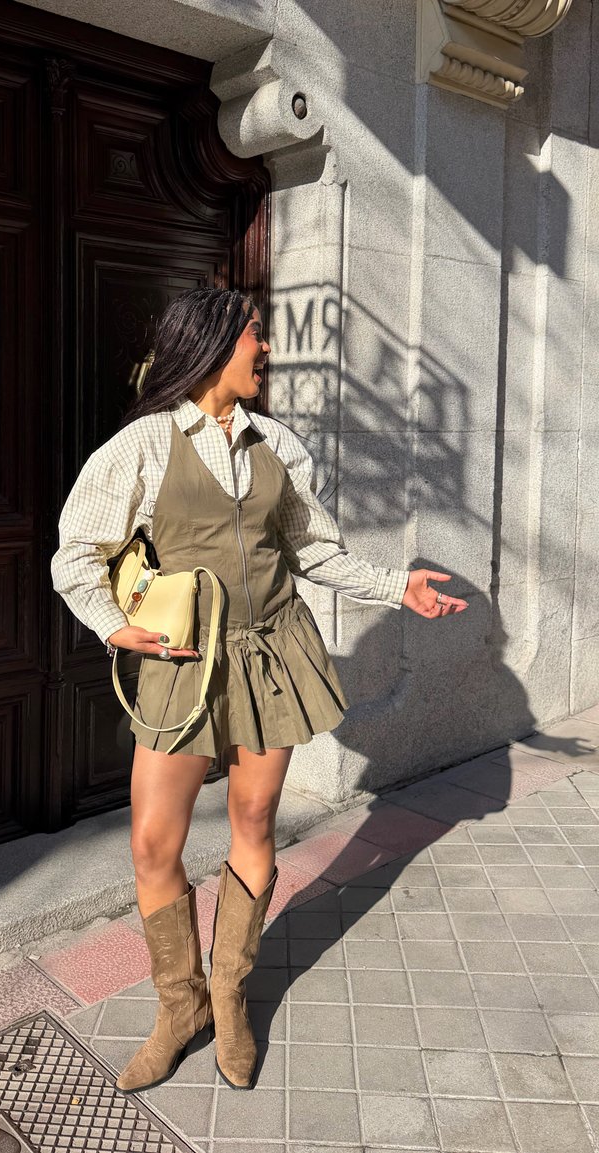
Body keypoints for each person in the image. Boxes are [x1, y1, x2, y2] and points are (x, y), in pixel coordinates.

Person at [51, 287, 467, 1095]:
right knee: (152, 844)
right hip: (181, 659)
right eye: (255, 337)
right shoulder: (138, 447)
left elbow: (315, 551)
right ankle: (181, 1006)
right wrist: (114, 625)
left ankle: (231, 994)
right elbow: (76, 552)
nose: (266, 349)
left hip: (271, 653)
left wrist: (397, 586)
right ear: (212, 347)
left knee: (252, 818)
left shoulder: (278, 444)